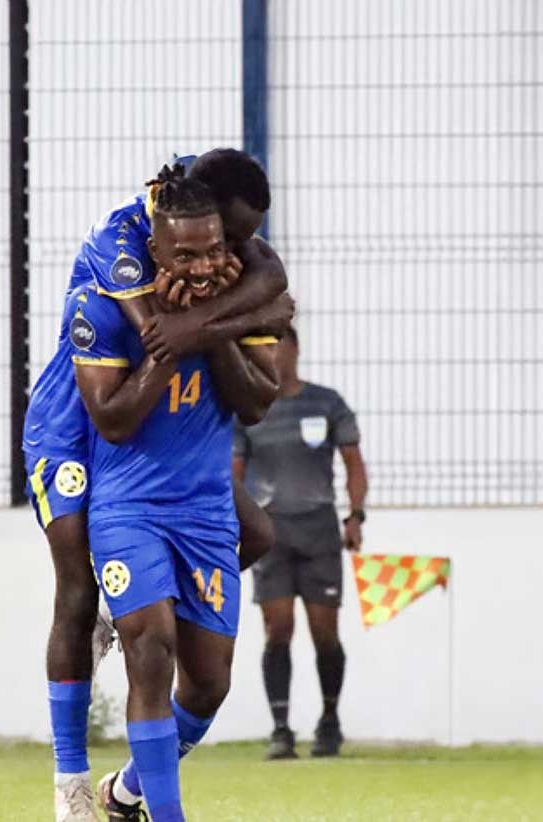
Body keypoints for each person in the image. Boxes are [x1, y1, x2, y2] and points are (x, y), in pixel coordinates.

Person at [23, 151, 292, 820]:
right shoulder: (119, 250)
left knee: (255, 534)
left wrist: (211, 317)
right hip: (71, 426)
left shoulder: (216, 244)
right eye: (228, 238)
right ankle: (72, 787)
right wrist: (199, 323)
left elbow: (275, 289)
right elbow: (145, 359)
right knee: (80, 592)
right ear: (163, 236)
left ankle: (131, 786)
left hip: (175, 473)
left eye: (232, 242)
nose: (232, 253)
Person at [232, 326, 369, 759]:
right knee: (278, 630)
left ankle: (330, 720)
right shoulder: (248, 410)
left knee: (324, 631)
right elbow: (233, 474)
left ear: (295, 349)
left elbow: (353, 463)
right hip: (270, 532)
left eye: (278, 346)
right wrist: (235, 525)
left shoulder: (326, 403)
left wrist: (356, 514)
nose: (272, 355)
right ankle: (280, 728)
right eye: (264, 348)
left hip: (319, 529)